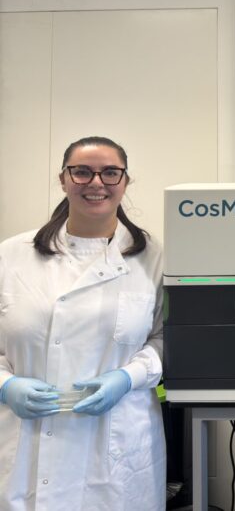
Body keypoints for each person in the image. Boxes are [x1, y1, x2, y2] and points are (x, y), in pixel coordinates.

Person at [0, 136, 165, 510]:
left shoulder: (154, 258)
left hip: (116, 442)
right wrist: (6, 385)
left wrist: (127, 378)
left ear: (125, 181)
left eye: (110, 172)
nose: (96, 183)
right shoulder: (11, 255)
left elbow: (164, 340)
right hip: (24, 438)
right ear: (63, 179)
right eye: (82, 172)